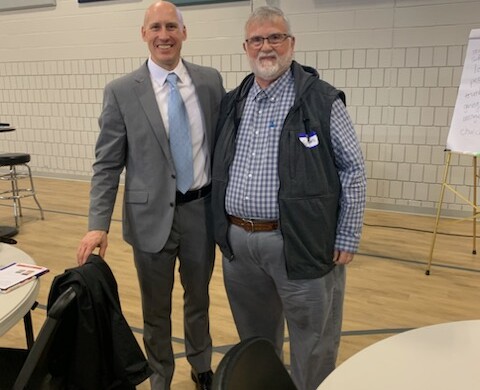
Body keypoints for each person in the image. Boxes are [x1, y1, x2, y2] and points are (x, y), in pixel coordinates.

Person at [211, 6, 366, 390]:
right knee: (256, 342)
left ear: (291, 43)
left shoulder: (322, 100)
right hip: (240, 245)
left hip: (300, 241)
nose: (266, 47)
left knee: (312, 344)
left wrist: (347, 234)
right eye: (257, 39)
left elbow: (353, 170)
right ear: (246, 47)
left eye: (275, 37)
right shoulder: (234, 101)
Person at [77, 2, 225, 389]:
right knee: (155, 309)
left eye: (172, 26)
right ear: (144, 34)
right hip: (149, 220)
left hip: (200, 212)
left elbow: (224, 147)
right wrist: (97, 225)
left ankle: (201, 363)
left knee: (199, 300)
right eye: (156, 27)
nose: (164, 35)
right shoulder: (122, 92)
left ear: (184, 32)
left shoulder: (210, 82)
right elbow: (107, 165)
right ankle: (160, 373)